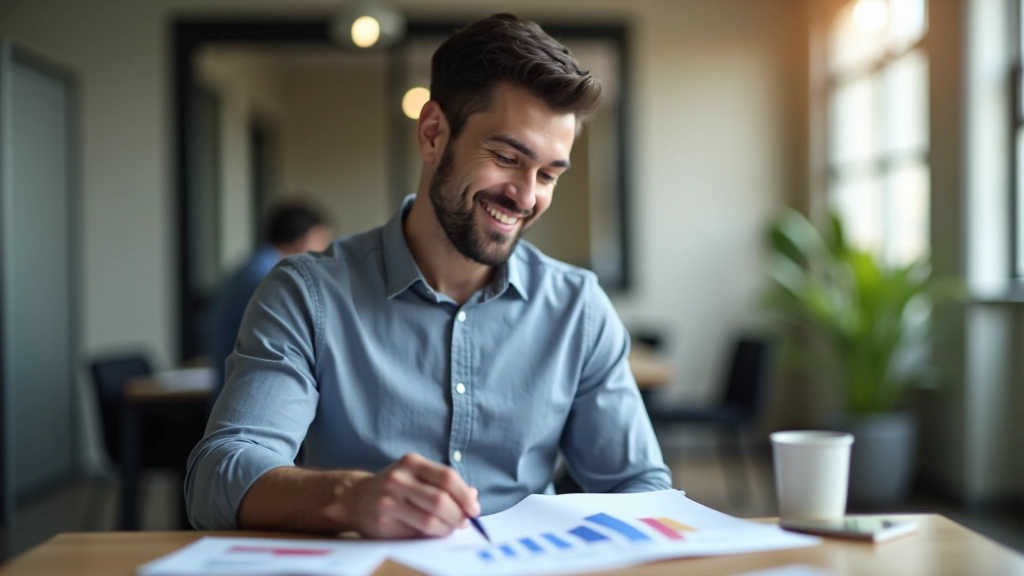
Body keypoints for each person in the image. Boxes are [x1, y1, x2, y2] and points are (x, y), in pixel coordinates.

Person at [186, 13, 671, 538]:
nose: (527, 197)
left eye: (549, 174)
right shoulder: (307, 294)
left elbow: (638, 484)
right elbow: (217, 476)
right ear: (434, 132)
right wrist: (350, 498)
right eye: (507, 157)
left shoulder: (578, 307)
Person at [206, 204, 333, 404]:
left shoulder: (252, 269)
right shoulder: (270, 280)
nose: (324, 255)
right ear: (301, 242)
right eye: (321, 244)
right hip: (248, 402)